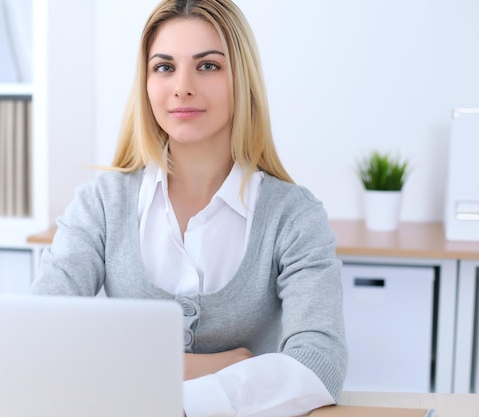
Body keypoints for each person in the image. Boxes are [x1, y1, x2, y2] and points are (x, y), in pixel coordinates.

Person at [31, 0, 347, 416]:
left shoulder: (294, 216)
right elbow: (37, 338)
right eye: (164, 67)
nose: (182, 86)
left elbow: (320, 364)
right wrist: (225, 365)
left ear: (242, 79)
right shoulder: (101, 205)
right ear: (145, 82)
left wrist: (172, 394)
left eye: (208, 66)